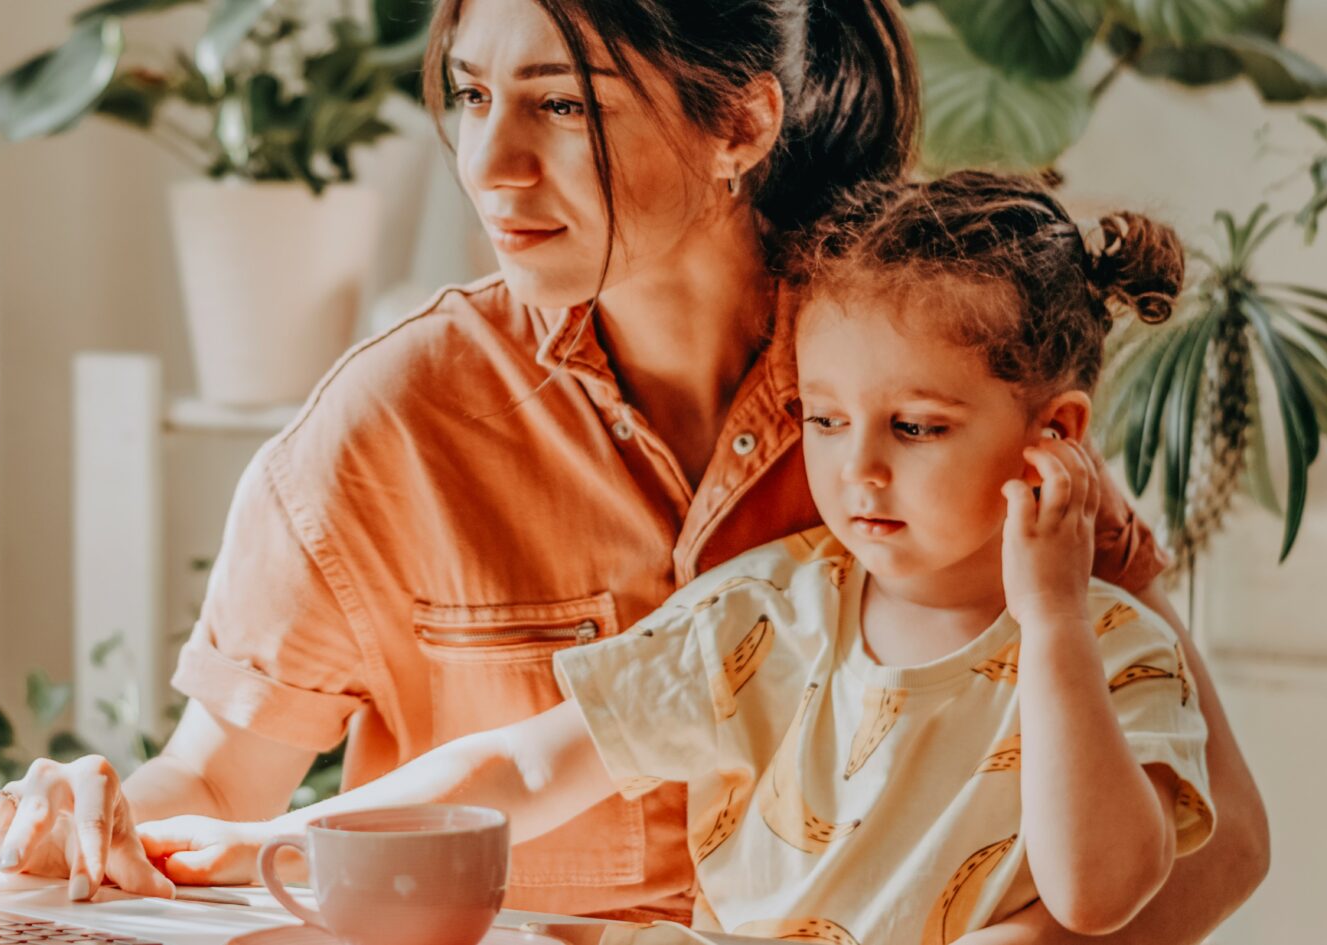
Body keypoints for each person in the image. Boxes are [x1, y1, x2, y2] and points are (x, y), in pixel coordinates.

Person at [0, 0, 1271, 932]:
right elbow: (221, 793)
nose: (488, 164)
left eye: (560, 105)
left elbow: (1217, 835)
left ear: (741, 121)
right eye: (467, 95)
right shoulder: (392, 422)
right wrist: (88, 810)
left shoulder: (931, 373)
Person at [134, 172, 1217, 945]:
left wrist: (1056, 625)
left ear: (1057, 436)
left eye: (918, 428)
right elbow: (521, 768)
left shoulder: (1121, 652)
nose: (860, 473)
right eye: (827, 421)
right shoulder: (764, 612)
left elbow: (1098, 895)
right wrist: (281, 839)